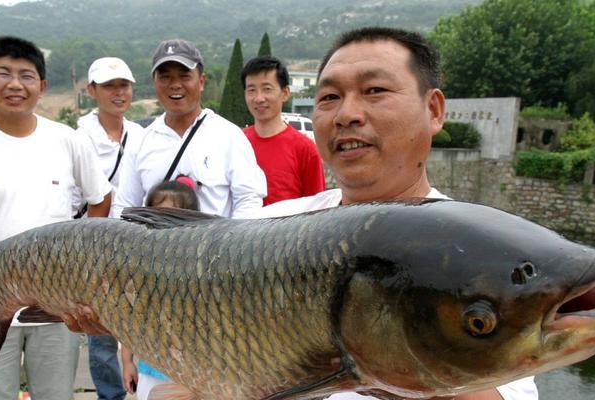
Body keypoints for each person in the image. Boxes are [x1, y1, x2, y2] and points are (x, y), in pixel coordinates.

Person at [253, 27, 538, 400]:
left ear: (434, 110)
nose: (346, 114)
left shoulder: (483, 258)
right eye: (329, 97)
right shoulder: (264, 229)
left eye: (375, 91)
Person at [0, 36, 112, 400]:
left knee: (56, 395)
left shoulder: (67, 141)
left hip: (57, 308)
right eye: (4, 73)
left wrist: (82, 266)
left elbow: (101, 199)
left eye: (27, 76)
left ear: (42, 86)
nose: (16, 85)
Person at [112, 38, 266, 219]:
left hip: (213, 245)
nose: (175, 84)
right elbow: (124, 207)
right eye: (165, 77)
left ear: (201, 81)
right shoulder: (141, 142)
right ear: (154, 82)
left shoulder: (229, 136)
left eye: (184, 76)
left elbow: (248, 201)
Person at [75, 56, 146, 400]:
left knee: (140, 323)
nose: (118, 93)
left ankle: (145, 385)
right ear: (92, 91)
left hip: (136, 249)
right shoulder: (77, 139)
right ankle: (111, 396)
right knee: (101, 332)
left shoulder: (142, 135)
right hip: (95, 250)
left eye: (123, 86)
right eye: (108, 86)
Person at [120, 175, 200, 400]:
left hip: (189, 375)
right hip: (149, 371)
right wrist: (127, 362)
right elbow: (128, 318)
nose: (164, 220)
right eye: (157, 213)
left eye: (173, 214)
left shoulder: (197, 265)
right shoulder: (139, 264)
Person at [241, 56, 325, 205]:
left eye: (267, 89)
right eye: (252, 90)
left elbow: (317, 210)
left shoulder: (305, 149)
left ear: (285, 93)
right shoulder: (236, 143)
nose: (259, 98)